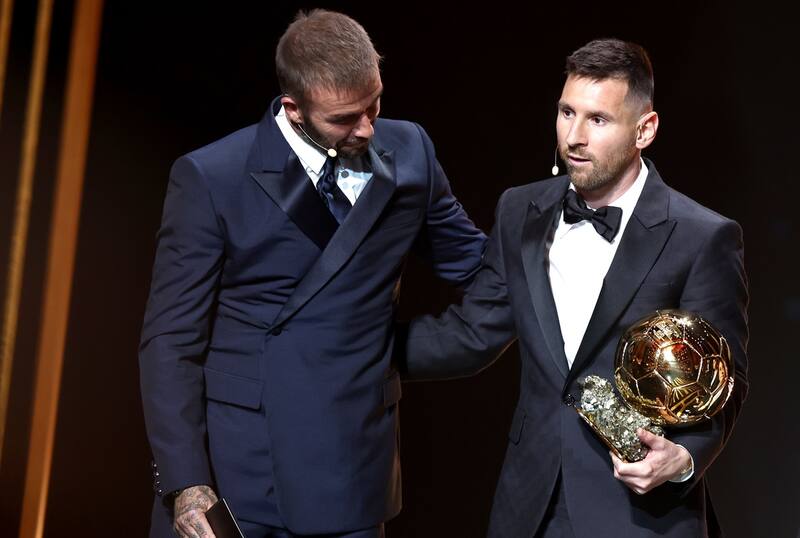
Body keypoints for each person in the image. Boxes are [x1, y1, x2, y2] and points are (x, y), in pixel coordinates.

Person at [138, 9, 485, 538]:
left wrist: (412, 350)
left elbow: (480, 268)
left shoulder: (411, 150)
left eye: (374, 105)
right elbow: (170, 340)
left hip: (353, 463)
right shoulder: (212, 176)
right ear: (293, 107)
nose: (367, 128)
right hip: (240, 468)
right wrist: (186, 484)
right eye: (345, 118)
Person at [400, 38, 748, 537]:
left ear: (644, 129)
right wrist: (362, 349)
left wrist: (683, 458)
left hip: (638, 511)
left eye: (598, 120)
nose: (574, 137)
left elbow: (724, 376)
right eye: (566, 112)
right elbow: (474, 333)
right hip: (529, 505)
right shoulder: (520, 209)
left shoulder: (701, 235)